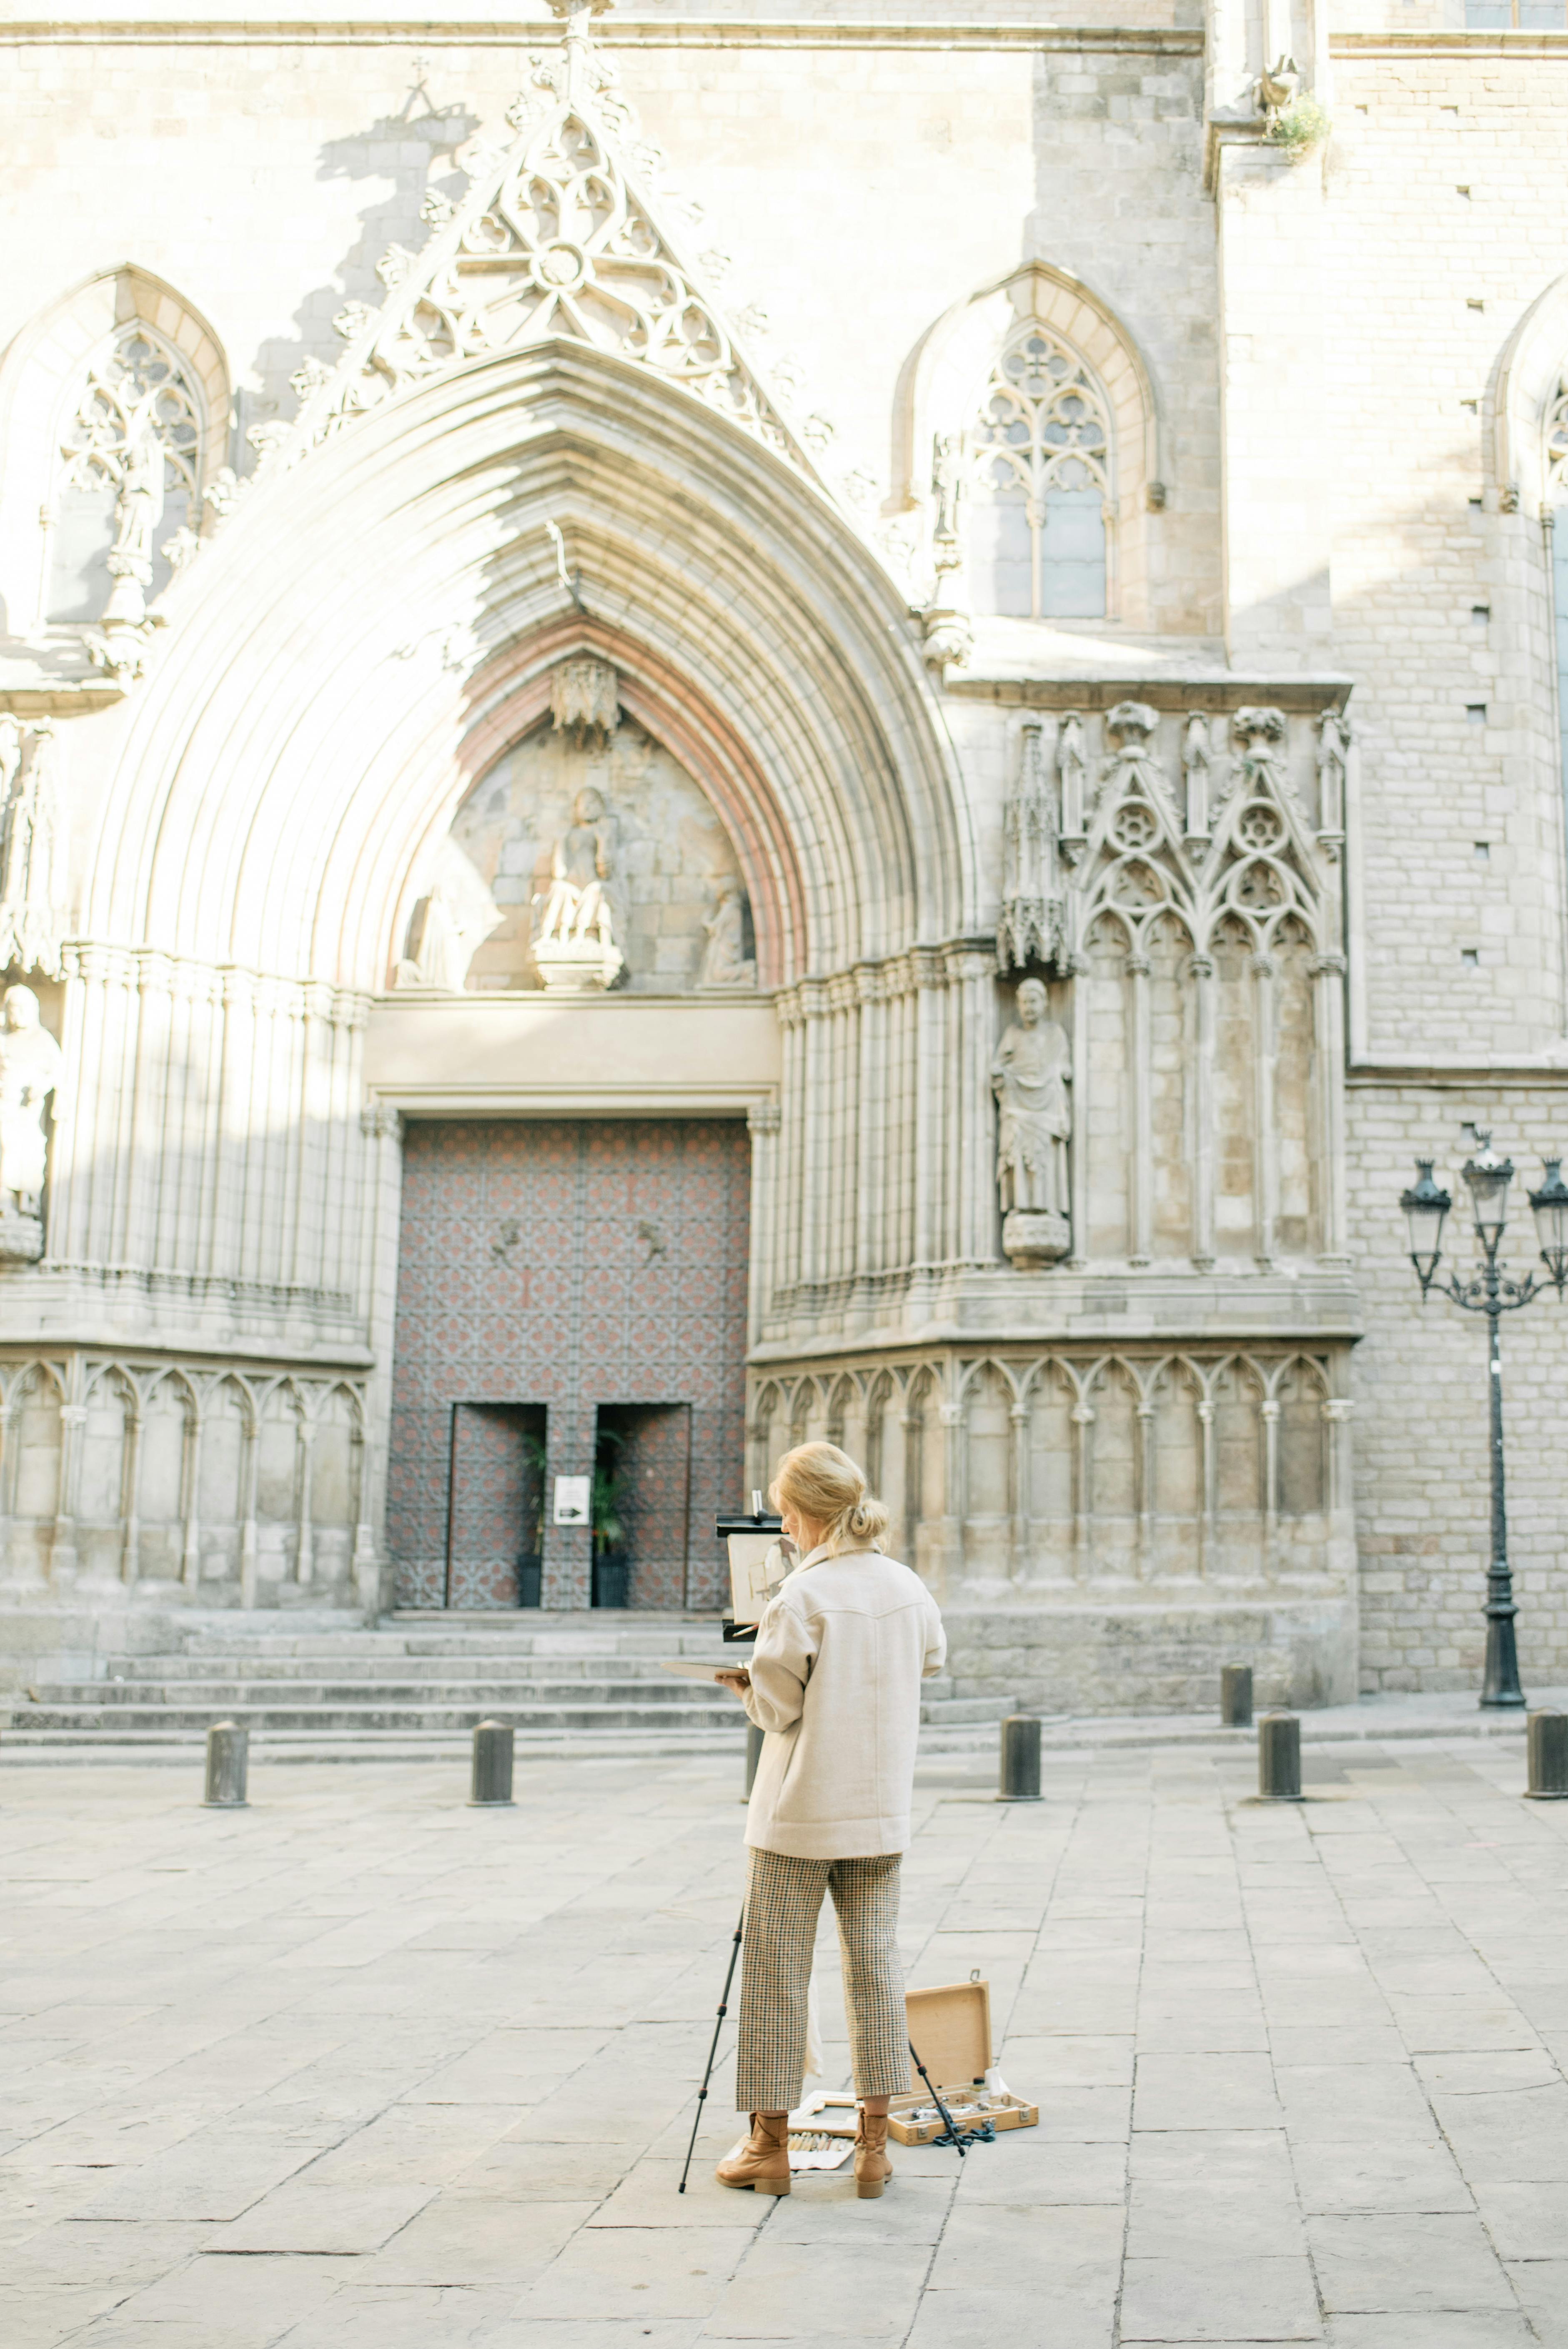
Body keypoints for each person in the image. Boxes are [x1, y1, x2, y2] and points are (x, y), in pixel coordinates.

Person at [713, 1441, 946, 2199]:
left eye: (785, 1515)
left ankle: (768, 2148)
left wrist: (740, 1685)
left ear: (810, 1515)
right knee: (875, 1969)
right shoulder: (908, 1585)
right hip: (878, 1813)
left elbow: (778, 1708)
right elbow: (929, 1661)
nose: (784, 1528)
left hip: (798, 1820)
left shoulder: (799, 1597)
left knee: (777, 1974)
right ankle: (875, 2151)